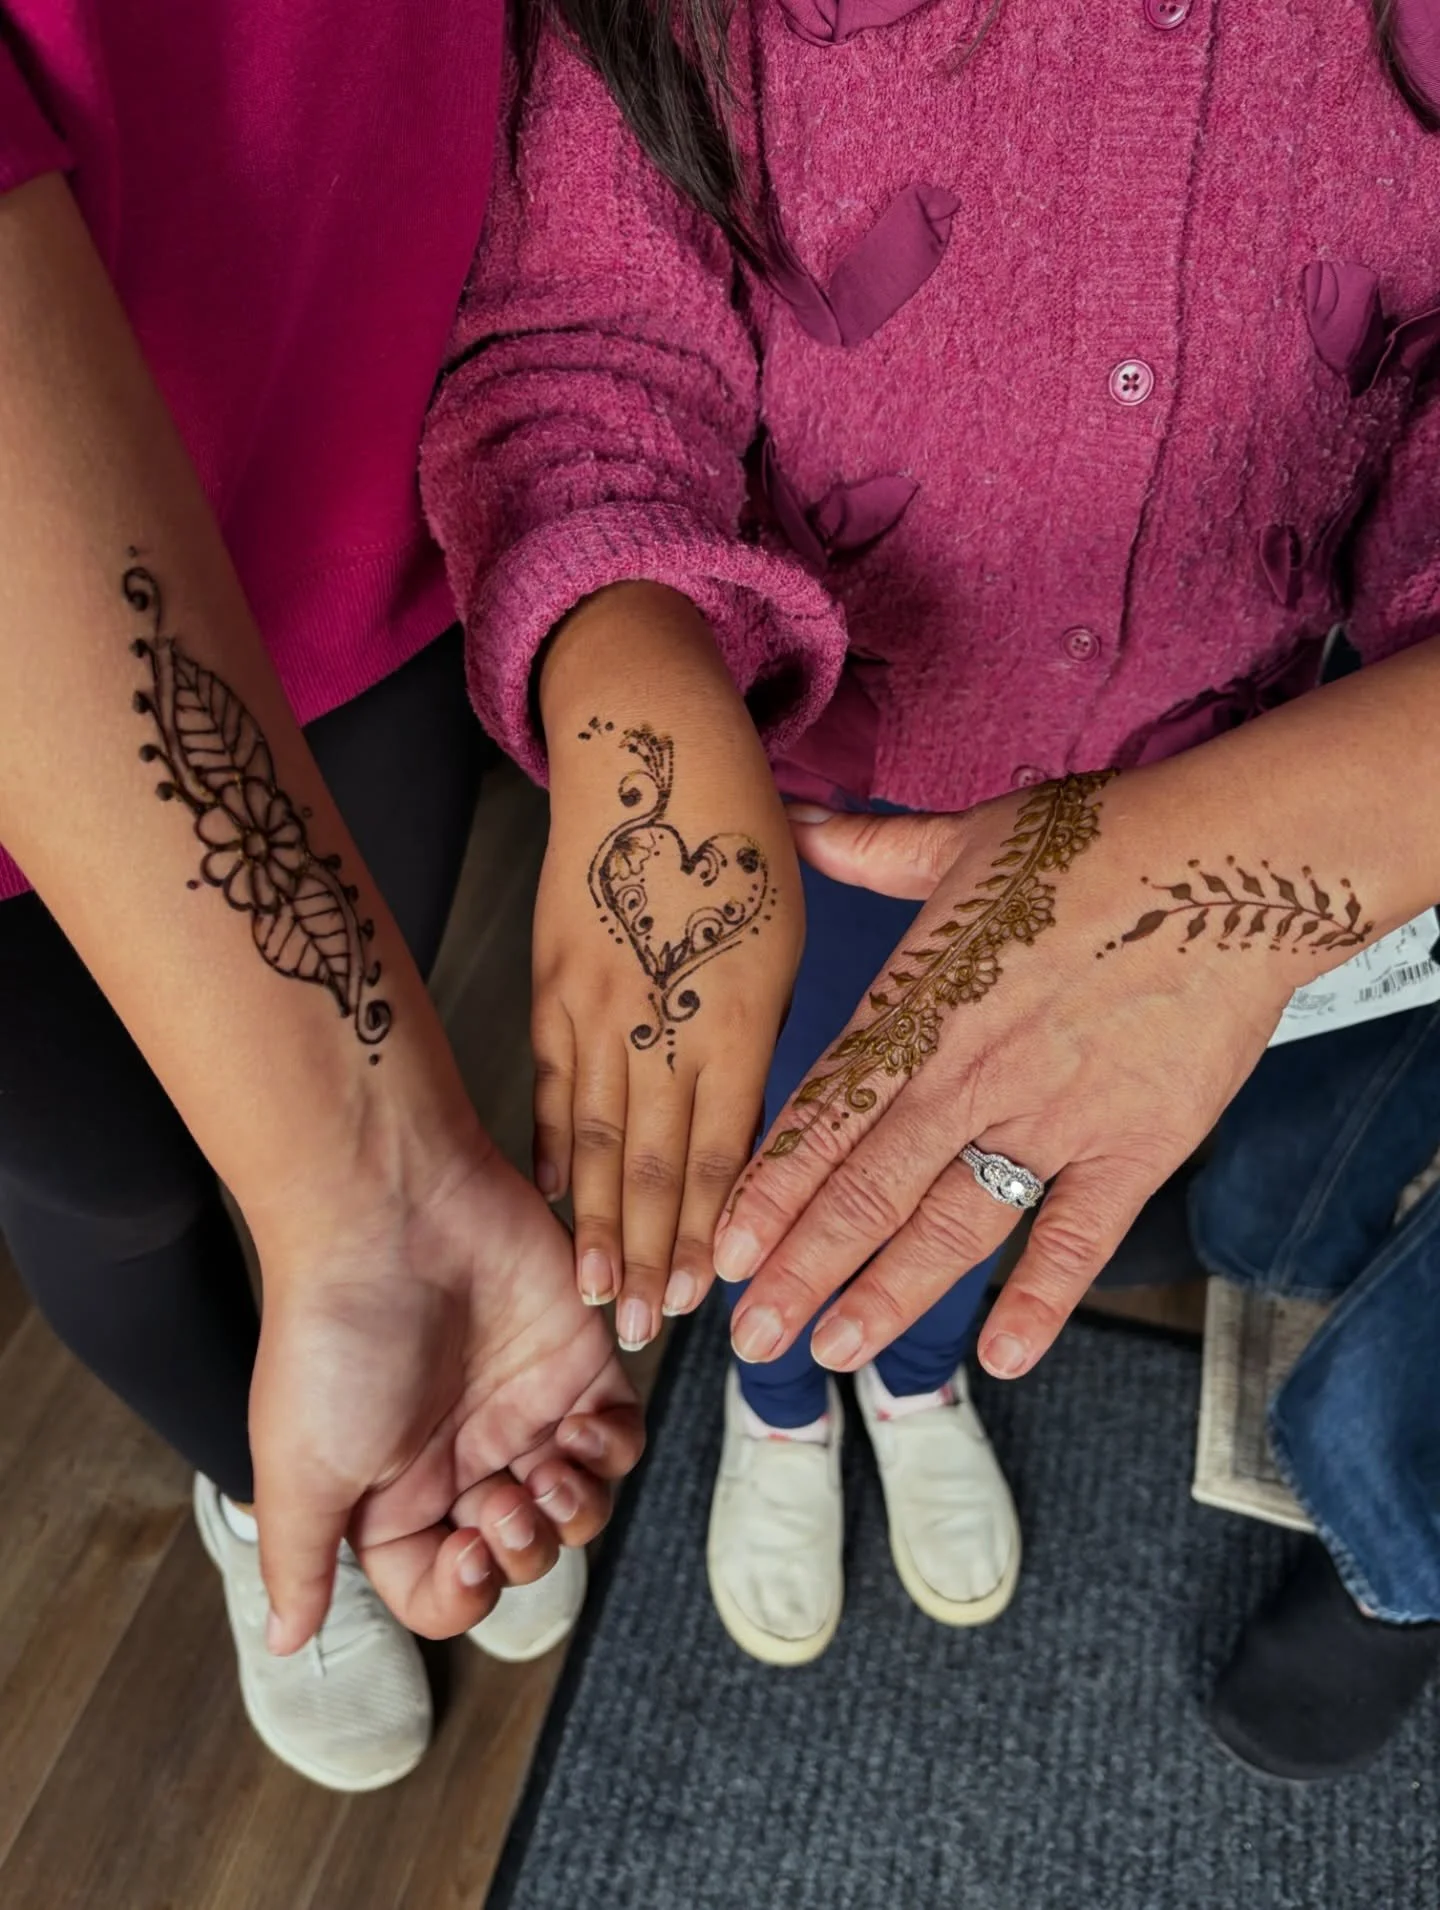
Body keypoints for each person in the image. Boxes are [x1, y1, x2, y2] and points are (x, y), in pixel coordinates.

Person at [422, 0, 1440, 1765]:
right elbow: (591, 325)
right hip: (817, 795)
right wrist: (629, 667)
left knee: (991, 1168)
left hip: (1201, 793)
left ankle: (911, 1370)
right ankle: (774, 1403)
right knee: (771, 1161)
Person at [0, 4, 642, 1794]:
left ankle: (343, 1292)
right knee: (113, 1189)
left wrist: (389, 1181)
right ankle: (241, 1462)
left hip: (346, 444)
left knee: (389, 1021)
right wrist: (367, 1190)